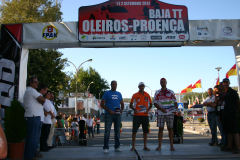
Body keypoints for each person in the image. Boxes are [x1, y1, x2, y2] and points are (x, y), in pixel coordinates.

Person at [23, 76, 47, 160]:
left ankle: (29, 155)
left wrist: (41, 100)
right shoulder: (31, 90)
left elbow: (42, 100)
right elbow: (43, 100)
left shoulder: (30, 91)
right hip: (33, 116)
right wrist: (41, 100)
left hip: (33, 116)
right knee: (32, 138)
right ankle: (30, 156)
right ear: (31, 83)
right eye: (36, 82)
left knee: (31, 138)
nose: (37, 83)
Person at [153, 78, 178, 151]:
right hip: (161, 113)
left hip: (170, 113)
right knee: (160, 129)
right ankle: (159, 146)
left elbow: (175, 102)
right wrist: (161, 109)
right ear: (160, 83)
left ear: (166, 82)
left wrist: (176, 110)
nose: (163, 83)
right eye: (162, 82)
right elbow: (154, 102)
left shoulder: (171, 92)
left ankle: (172, 146)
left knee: (170, 129)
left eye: (164, 82)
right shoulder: (157, 92)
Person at [101, 80, 124, 153]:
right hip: (108, 114)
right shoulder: (107, 93)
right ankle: (105, 147)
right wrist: (109, 110)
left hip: (117, 115)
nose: (115, 86)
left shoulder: (119, 94)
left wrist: (121, 110)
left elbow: (122, 103)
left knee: (117, 131)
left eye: (116, 84)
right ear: (111, 85)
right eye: (113, 84)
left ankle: (117, 146)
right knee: (107, 131)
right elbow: (102, 104)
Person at [129, 82, 152, 151]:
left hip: (145, 115)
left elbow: (151, 104)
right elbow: (130, 105)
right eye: (140, 86)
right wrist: (134, 109)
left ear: (144, 87)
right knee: (134, 131)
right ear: (138, 87)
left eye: (143, 86)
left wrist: (148, 110)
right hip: (137, 115)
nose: (142, 87)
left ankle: (145, 146)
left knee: (145, 131)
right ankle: (133, 146)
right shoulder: (135, 95)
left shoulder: (147, 95)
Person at [220, 78, 240, 153]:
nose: (225, 83)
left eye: (226, 82)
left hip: (232, 113)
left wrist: (237, 111)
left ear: (229, 83)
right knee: (228, 131)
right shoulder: (223, 93)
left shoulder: (233, 92)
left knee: (234, 131)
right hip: (225, 114)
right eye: (224, 82)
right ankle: (230, 146)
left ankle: (238, 147)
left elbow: (238, 102)